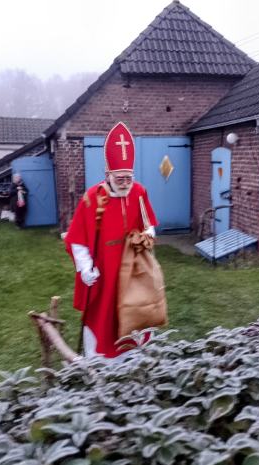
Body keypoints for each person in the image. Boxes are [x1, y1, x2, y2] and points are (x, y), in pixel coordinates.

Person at [64, 122, 157, 358]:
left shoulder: (139, 192)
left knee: (136, 313)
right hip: (103, 272)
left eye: (129, 178)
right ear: (108, 175)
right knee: (103, 316)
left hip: (132, 270)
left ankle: (135, 357)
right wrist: (85, 268)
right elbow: (77, 239)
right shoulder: (92, 198)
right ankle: (100, 362)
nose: (126, 183)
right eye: (120, 179)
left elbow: (149, 226)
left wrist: (146, 238)